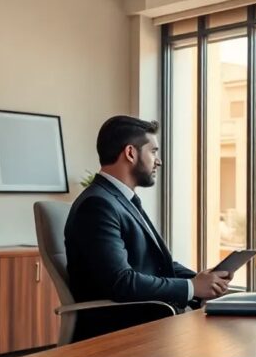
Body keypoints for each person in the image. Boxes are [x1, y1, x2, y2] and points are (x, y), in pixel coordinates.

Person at [65, 116, 231, 340]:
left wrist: (206, 282)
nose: (158, 161)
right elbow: (121, 282)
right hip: (120, 331)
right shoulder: (98, 204)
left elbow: (157, 263)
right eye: (153, 151)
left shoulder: (122, 200)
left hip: (148, 319)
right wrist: (192, 287)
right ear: (131, 153)